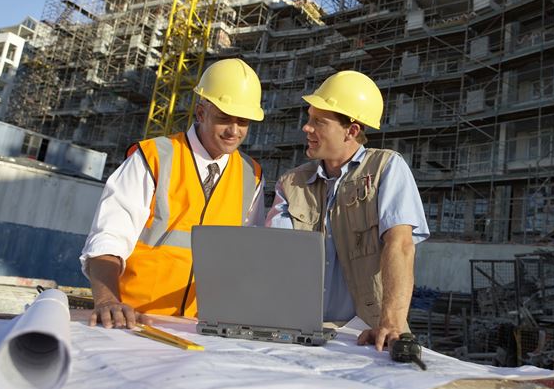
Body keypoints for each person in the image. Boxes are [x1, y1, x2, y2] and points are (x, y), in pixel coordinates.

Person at [80, 58, 265, 329]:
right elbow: (108, 239)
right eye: (224, 118)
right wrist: (107, 301)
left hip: (204, 329)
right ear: (201, 113)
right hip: (133, 323)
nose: (234, 131)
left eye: (244, 122)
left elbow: (245, 258)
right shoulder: (154, 157)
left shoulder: (252, 174)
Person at [266, 70, 430, 352]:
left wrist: (392, 322)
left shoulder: (386, 169)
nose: (307, 128)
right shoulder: (291, 182)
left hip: (367, 335)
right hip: (301, 334)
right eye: (309, 118)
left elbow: (401, 245)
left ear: (351, 131)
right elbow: (274, 254)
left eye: (319, 121)